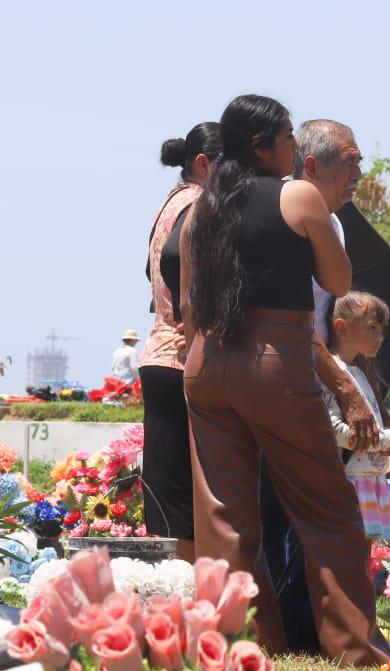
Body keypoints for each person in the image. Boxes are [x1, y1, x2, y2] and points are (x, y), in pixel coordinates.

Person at [179, 94, 390, 667]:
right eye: (289, 139)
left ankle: (239, 647)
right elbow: (339, 277)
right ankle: (355, 647)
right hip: (276, 360)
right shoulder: (297, 194)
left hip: (205, 363)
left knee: (224, 517)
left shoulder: (201, 207)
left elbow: (191, 302)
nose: (295, 148)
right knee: (326, 507)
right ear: (262, 147)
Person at [260, 118, 374, 654]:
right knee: (288, 510)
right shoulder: (289, 214)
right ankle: (287, 629)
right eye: (348, 163)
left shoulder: (335, 222)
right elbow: (295, 326)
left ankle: (304, 627)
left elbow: (325, 320)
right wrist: (345, 388)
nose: (358, 174)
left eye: (359, 162)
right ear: (309, 168)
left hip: (313, 380)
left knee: (301, 511)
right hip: (274, 377)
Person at [139, 122, 221, 562]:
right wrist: (195, 325)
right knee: (186, 502)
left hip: (159, 355)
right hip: (181, 359)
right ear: (205, 164)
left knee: (170, 495)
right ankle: (185, 605)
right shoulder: (201, 207)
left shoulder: (171, 204)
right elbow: (174, 262)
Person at [319, 291, 390, 540]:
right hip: (350, 483)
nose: (380, 337)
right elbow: (336, 432)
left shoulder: (359, 371)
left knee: (366, 557)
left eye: (381, 329)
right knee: (349, 553)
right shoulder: (332, 373)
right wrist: (387, 440)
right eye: (372, 328)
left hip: (369, 482)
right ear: (342, 328)